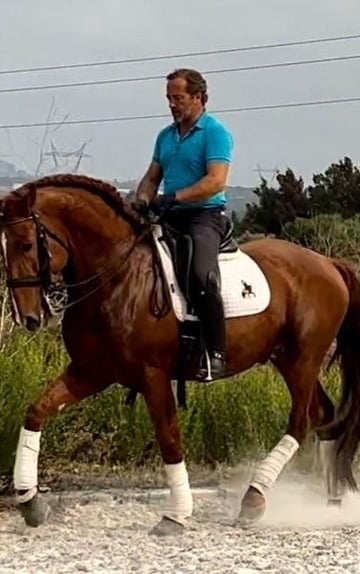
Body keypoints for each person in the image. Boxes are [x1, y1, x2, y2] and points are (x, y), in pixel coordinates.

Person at [132, 68, 234, 381]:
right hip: (169, 214)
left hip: (204, 216)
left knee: (201, 277)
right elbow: (152, 177)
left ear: (200, 98)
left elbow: (216, 181)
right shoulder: (165, 136)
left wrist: (175, 197)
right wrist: (143, 199)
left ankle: (215, 351)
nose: (173, 105)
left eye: (178, 98)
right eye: (169, 99)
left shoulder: (215, 133)